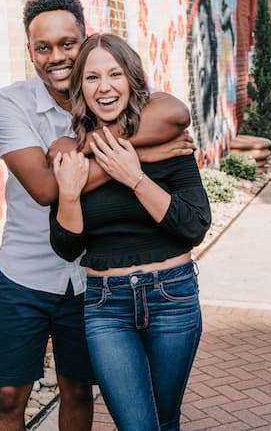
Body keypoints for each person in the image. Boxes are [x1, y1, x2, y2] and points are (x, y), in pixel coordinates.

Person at [0, 0, 196, 431]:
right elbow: (48, 188)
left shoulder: (107, 93)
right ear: (30, 51)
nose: (57, 57)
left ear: (86, 40)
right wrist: (145, 155)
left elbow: (175, 112)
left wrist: (95, 157)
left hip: (91, 282)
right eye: (43, 47)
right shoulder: (8, 102)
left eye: (68, 44)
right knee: (7, 397)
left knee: (78, 390)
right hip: (25, 271)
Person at [49, 33, 212, 431]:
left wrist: (136, 178)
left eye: (114, 74)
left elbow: (194, 224)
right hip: (108, 306)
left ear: (132, 80)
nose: (104, 87)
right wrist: (69, 195)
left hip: (172, 296)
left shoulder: (169, 137)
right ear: (79, 88)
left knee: (165, 421)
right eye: (91, 78)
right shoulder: (71, 154)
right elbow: (67, 247)